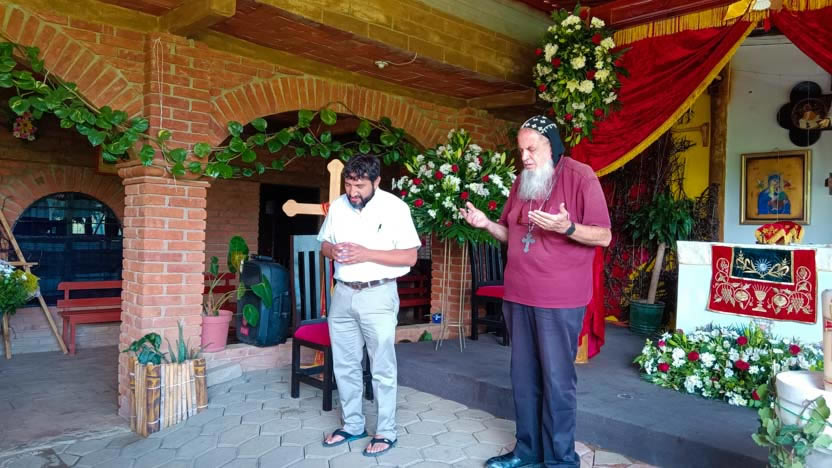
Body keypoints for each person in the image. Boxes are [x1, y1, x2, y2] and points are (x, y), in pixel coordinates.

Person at [460, 115, 611, 468]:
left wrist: (568, 227)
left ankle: (560, 460)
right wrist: (486, 224)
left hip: (559, 299)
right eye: (521, 150)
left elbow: (603, 235)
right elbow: (512, 235)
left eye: (531, 149)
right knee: (524, 378)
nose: (525, 157)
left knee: (557, 380)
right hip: (518, 294)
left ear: (552, 145)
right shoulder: (522, 182)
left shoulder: (580, 177)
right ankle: (526, 452)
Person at [317, 155, 421, 457]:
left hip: (378, 294)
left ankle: (386, 431)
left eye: (360, 185)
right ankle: (352, 425)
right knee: (345, 365)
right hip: (343, 294)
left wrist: (366, 253)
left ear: (376, 181)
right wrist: (332, 250)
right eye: (349, 184)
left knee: (381, 367)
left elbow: (410, 257)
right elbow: (324, 244)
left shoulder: (395, 208)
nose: (353, 192)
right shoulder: (339, 206)